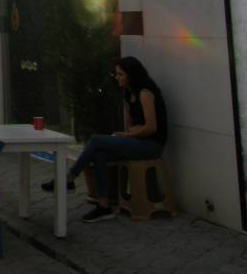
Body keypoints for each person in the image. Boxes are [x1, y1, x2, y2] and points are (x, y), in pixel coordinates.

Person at [42, 56, 168, 224]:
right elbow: (132, 126)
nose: (117, 78)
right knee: (99, 154)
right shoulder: (128, 93)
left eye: (120, 74)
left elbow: (151, 127)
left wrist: (128, 135)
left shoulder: (145, 92)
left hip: (152, 145)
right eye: (116, 74)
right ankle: (103, 206)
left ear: (131, 75)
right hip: (138, 141)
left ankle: (69, 179)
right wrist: (128, 132)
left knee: (95, 140)